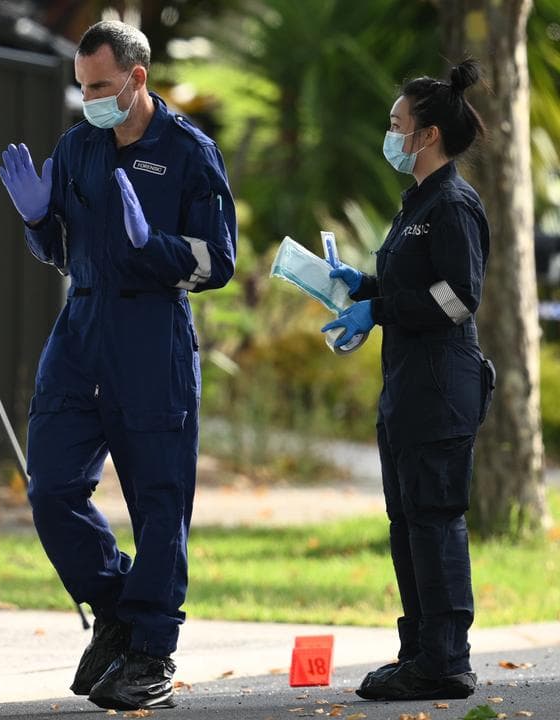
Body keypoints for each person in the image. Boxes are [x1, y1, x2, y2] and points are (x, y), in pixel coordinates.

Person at [0, 20, 236, 711]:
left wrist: (153, 243)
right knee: (51, 488)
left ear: (137, 77)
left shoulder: (189, 154)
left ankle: (151, 652)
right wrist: (39, 222)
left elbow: (217, 261)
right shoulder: (78, 148)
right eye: (81, 86)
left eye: (99, 86)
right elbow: (62, 252)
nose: (88, 99)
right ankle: (119, 608)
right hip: (81, 330)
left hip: (151, 335)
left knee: (160, 504)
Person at [322, 58, 492, 702]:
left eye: (398, 124)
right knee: (409, 521)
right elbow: (410, 286)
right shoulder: (417, 203)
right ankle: (420, 651)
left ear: (427, 136)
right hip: (407, 390)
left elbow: (457, 299)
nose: (389, 133)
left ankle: (446, 660)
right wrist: (357, 287)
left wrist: (381, 308)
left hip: (442, 389)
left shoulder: (452, 203)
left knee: (435, 518)